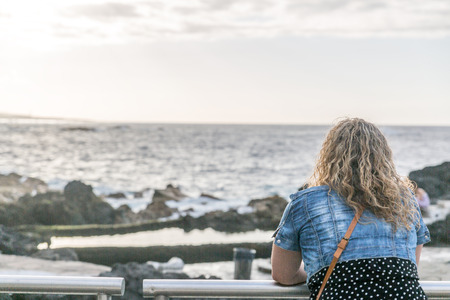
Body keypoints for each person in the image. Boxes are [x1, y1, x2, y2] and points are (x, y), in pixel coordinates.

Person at [271, 118, 431, 300]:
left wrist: (319, 274)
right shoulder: (406, 200)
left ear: (329, 156)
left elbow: (283, 275)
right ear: (384, 156)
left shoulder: (305, 203)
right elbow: (410, 268)